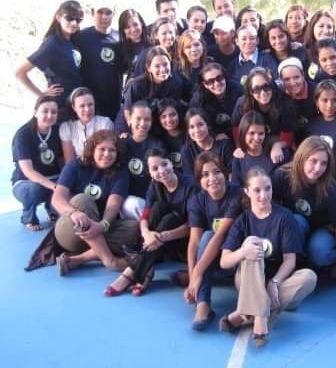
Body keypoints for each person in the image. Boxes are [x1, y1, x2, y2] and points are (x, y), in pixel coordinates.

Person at [220, 167, 317, 347]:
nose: (263, 195)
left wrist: (275, 282)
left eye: (268, 188)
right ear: (247, 192)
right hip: (247, 282)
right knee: (251, 242)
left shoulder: (285, 217)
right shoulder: (243, 220)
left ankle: (245, 314)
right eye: (257, 190)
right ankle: (261, 319)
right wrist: (243, 252)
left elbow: (290, 261)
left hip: (277, 286)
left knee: (309, 277)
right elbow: (224, 261)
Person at [104, 147, 194, 297]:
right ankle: (145, 269)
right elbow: (144, 217)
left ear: (172, 163)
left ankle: (131, 273)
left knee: (171, 218)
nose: (162, 170)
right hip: (159, 244)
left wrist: (161, 237)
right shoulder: (154, 185)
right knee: (158, 207)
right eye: (155, 168)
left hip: (184, 242)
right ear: (150, 174)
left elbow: (193, 226)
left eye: (164, 164)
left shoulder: (190, 186)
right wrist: (147, 234)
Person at [51, 130, 140, 275]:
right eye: (102, 149)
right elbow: (57, 198)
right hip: (72, 230)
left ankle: (78, 259)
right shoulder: (75, 165)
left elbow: (114, 202)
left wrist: (102, 225)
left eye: (112, 150)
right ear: (92, 149)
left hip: (98, 229)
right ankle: (111, 261)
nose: (107, 154)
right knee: (83, 199)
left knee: (135, 228)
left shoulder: (120, 172)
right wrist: (73, 212)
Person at [272, 137, 336, 277]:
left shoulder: (329, 188)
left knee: (321, 253)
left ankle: (311, 258)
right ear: (302, 157)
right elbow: (272, 209)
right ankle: (292, 262)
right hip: (295, 227)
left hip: (321, 229)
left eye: (324, 163)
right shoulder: (282, 175)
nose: (318, 168)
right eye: (313, 161)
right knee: (296, 220)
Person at [184, 152, 243, 330]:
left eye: (217, 172)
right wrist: (191, 280)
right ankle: (203, 305)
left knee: (211, 235)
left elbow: (221, 236)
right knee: (205, 237)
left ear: (225, 174)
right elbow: (194, 242)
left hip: (235, 257)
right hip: (213, 259)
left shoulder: (237, 194)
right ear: (199, 180)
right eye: (205, 175)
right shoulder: (197, 200)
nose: (212, 178)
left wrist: (197, 273)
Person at [15, 0, 84, 116]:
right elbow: (20, 72)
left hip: (74, 103)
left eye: (78, 20)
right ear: (58, 17)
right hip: (59, 107)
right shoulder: (52, 44)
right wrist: (41, 95)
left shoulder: (71, 40)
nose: (74, 23)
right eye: (69, 18)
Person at [12, 96, 63, 231]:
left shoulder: (58, 131)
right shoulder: (23, 134)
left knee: (69, 183)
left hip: (53, 178)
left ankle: (53, 209)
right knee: (35, 188)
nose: (49, 115)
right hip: (26, 182)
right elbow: (28, 171)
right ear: (35, 112)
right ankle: (29, 217)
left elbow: (62, 161)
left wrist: (65, 182)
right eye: (45, 111)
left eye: (53, 112)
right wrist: (54, 186)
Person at [231, 67, 297, 162]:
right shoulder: (242, 104)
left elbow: (288, 134)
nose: (263, 93)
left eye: (266, 87)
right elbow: (237, 129)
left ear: (272, 86)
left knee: (282, 155)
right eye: (256, 89)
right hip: (252, 139)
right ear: (250, 92)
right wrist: (241, 147)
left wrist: (278, 145)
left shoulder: (285, 103)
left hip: (276, 138)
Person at [119, 46, 188, 133]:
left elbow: (172, 111)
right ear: (149, 68)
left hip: (158, 123)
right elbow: (127, 111)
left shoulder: (175, 83)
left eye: (165, 64)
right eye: (157, 66)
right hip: (133, 122)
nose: (162, 69)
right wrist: (131, 131)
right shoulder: (136, 85)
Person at [73, 0, 122, 119]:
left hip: (113, 102)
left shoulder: (120, 38)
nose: (104, 16)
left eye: (108, 12)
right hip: (87, 104)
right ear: (92, 13)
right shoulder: (80, 37)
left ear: (114, 14)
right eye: (100, 12)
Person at [302, 79, 336, 183]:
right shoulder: (310, 126)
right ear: (317, 102)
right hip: (315, 178)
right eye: (324, 100)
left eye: (334, 100)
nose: (329, 105)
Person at [121, 101, 165, 220]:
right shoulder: (122, 144)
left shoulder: (157, 144)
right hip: (127, 201)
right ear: (130, 119)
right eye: (138, 118)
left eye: (147, 119)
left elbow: (158, 179)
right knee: (130, 204)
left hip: (150, 201)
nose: (142, 123)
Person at [231, 111, 290, 185]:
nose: (256, 138)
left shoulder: (278, 153)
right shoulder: (238, 159)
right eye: (252, 133)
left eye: (261, 133)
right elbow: (236, 187)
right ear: (243, 133)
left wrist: (278, 146)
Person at [189, 62, 243, 139]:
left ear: (225, 77)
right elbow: (194, 122)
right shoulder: (198, 99)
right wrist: (214, 134)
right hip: (211, 135)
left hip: (238, 132)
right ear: (205, 84)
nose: (217, 83)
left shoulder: (239, 90)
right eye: (210, 81)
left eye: (219, 78)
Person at [59, 87, 114, 162]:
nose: (87, 109)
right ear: (74, 107)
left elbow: (104, 156)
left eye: (90, 104)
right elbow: (69, 161)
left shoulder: (105, 123)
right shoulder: (67, 127)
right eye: (82, 106)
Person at [181, 107, 234, 177]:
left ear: (208, 125)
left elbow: (232, 174)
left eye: (200, 125)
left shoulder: (224, 145)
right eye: (192, 127)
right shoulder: (186, 150)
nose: (197, 130)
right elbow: (190, 178)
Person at [278, 57, 316, 139]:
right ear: (281, 80)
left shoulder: (317, 92)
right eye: (287, 79)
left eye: (296, 77)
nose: (293, 83)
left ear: (303, 75)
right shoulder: (279, 95)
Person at [118, 9, 151, 82]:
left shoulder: (153, 44)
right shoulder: (121, 48)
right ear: (123, 30)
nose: (133, 29)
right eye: (128, 27)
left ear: (141, 24)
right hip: (134, 87)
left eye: (135, 24)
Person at [155, 98, 185, 170]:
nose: (169, 120)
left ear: (179, 114)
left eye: (172, 115)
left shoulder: (190, 135)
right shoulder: (157, 140)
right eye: (164, 116)